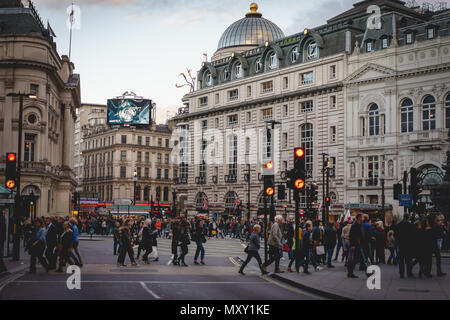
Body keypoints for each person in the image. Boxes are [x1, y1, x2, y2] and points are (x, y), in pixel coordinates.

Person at [393, 213, 415, 278]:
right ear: (408, 217)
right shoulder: (411, 225)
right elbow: (413, 236)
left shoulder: (398, 225)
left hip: (401, 244)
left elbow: (396, 235)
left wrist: (397, 243)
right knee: (409, 260)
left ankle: (401, 274)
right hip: (409, 244)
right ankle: (409, 273)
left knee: (401, 260)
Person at [347, 214, 364, 278]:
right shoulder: (355, 225)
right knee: (356, 259)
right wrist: (353, 244)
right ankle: (350, 273)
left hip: (359, 244)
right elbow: (352, 236)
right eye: (362, 217)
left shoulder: (360, 224)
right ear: (359, 218)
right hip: (356, 244)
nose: (363, 218)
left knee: (360, 259)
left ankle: (350, 273)